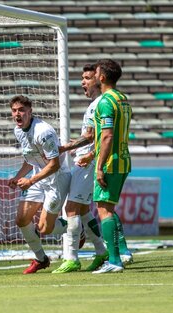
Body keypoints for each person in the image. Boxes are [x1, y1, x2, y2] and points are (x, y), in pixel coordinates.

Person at [53, 64, 108, 273]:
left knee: (71, 209)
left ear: (98, 79)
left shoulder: (97, 104)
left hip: (87, 162)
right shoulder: (95, 104)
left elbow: (92, 136)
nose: (83, 82)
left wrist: (65, 147)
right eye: (82, 78)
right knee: (84, 211)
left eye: (87, 78)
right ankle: (102, 251)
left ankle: (72, 258)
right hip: (88, 159)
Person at [7, 95, 71, 274]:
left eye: (21, 110)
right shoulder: (18, 131)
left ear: (30, 111)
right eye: (14, 111)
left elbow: (54, 164)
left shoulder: (44, 132)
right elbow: (30, 160)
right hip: (37, 177)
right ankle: (41, 259)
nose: (17, 114)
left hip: (55, 179)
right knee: (21, 219)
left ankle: (75, 227)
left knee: (44, 228)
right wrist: (17, 177)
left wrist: (30, 181)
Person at [90, 59, 132, 274]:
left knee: (104, 210)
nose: (94, 76)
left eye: (96, 73)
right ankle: (121, 253)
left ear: (102, 77)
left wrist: (99, 166)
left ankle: (114, 261)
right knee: (109, 209)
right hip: (123, 160)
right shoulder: (123, 99)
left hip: (111, 162)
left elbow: (107, 135)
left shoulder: (106, 101)